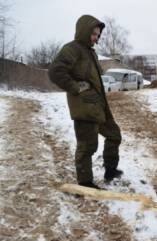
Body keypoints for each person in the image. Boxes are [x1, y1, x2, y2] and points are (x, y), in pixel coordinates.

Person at [49, 15, 123, 189]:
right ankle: (85, 182)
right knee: (87, 146)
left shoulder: (91, 52)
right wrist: (74, 87)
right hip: (84, 106)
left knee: (114, 135)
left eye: (98, 35)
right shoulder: (72, 49)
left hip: (99, 104)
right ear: (84, 31)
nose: (96, 38)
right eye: (93, 34)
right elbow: (55, 72)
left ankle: (110, 170)